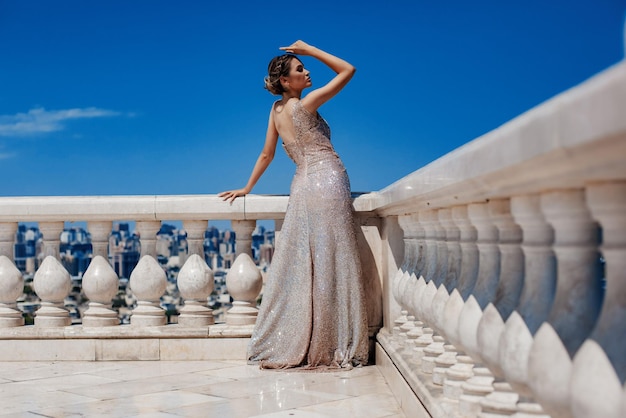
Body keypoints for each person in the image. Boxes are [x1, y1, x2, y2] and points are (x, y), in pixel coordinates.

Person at [219, 40, 369, 370]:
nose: (307, 71)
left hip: (302, 184)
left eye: (304, 65)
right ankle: (332, 342)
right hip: (328, 180)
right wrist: (310, 49)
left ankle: (304, 338)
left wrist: (247, 187)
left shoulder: (275, 111)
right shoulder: (307, 105)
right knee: (333, 257)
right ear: (286, 81)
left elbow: (267, 155)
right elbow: (349, 70)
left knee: (308, 261)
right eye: (300, 69)